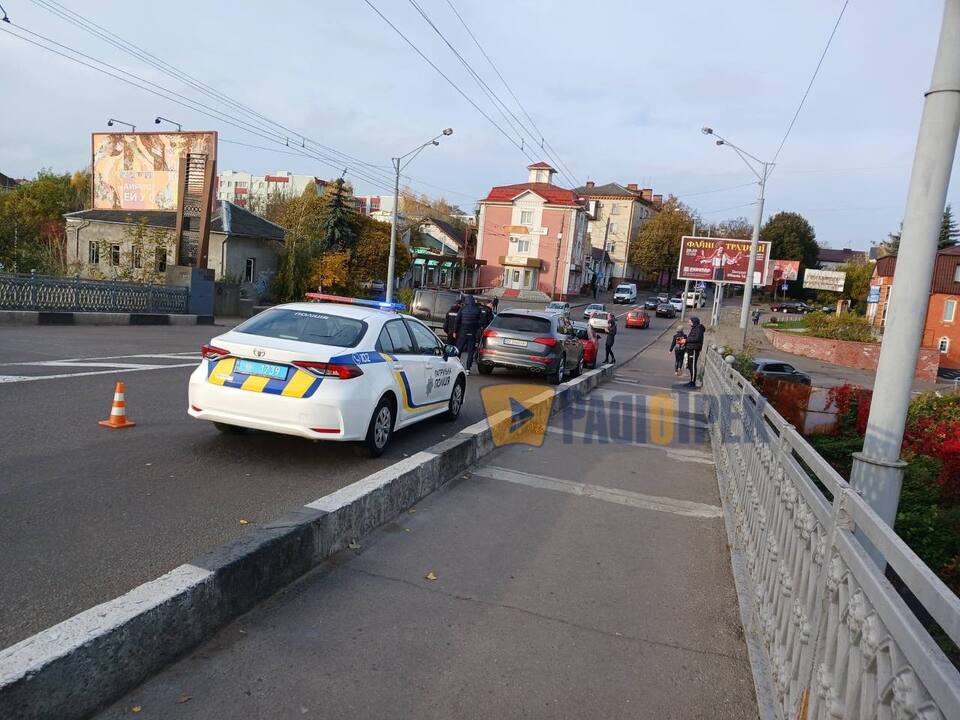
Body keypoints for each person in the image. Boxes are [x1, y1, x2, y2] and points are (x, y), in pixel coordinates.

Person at [454, 295, 482, 374]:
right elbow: (480, 321)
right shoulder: (477, 309)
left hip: (463, 332)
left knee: (459, 349)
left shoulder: (463, 309)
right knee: (470, 351)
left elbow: (457, 320)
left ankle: (456, 365)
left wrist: (455, 331)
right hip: (472, 333)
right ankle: (468, 369)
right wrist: (476, 327)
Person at [685, 316, 705, 388]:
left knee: (693, 366)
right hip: (691, 349)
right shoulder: (695, 328)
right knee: (690, 366)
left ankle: (693, 383)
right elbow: (693, 337)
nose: (689, 323)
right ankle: (691, 381)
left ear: (694, 322)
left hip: (694, 349)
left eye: (690, 322)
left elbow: (697, 338)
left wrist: (686, 340)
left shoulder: (699, 329)